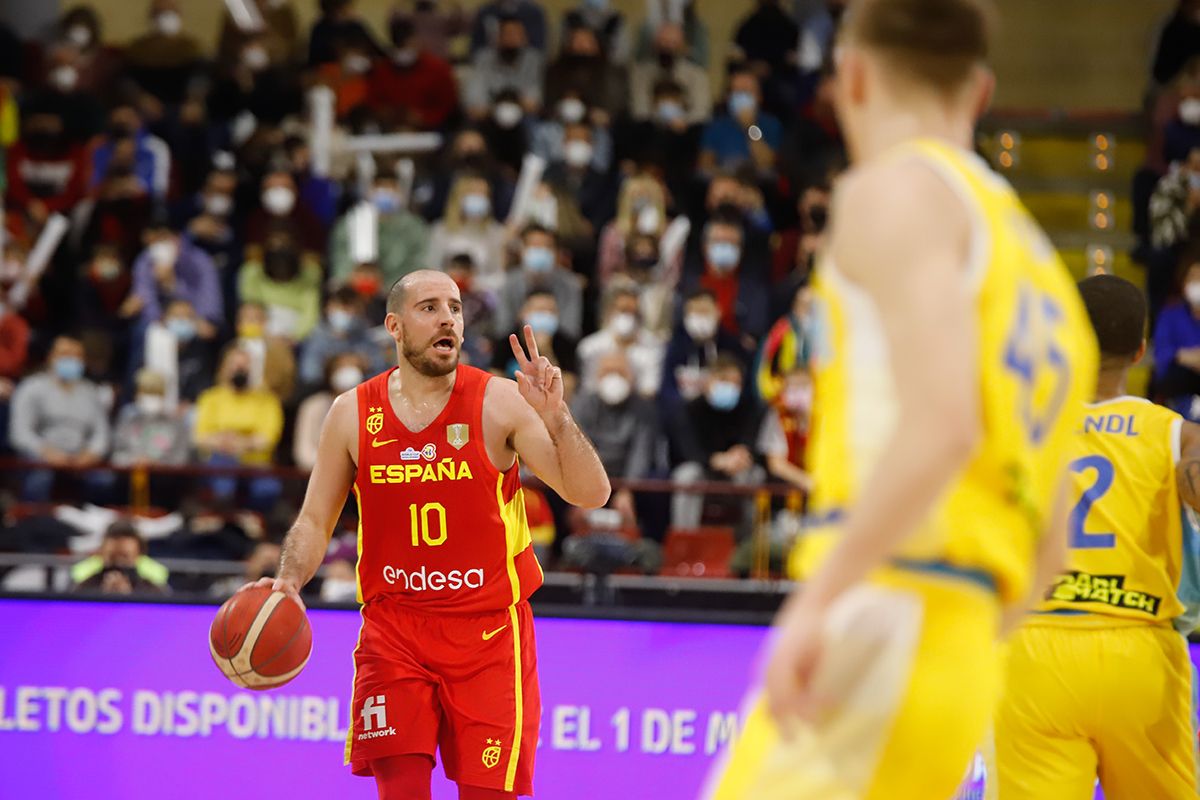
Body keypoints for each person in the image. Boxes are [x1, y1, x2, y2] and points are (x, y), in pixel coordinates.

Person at [706, 1, 1098, 798]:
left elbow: (944, 423)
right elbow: (1053, 541)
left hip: (886, 606)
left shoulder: (895, 192)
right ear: (982, 93)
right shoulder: (1041, 273)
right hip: (967, 640)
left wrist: (819, 603)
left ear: (849, 76)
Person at [252, 270, 609, 799]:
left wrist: (557, 417)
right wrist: (288, 580)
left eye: (456, 308)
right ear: (394, 326)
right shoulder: (352, 413)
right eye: (430, 307)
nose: (448, 318)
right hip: (394, 629)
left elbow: (590, 493)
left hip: (488, 631)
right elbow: (313, 519)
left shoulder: (499, 401)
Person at [991, 274, 1200, 797]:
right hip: (1139, 651)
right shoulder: (1174, 431)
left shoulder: (1022, 430)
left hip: (1035, 650)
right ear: (1141, 350)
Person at [9, 335, 115, 503]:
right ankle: (35, 523)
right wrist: (47, 452)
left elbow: (101, 434)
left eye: (76, 356)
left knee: (105, 480)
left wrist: (91, 453)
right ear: (51, 357)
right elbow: (20, 433)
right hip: (41, 458)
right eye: (65, 355)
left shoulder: (90, 392)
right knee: (40, 478)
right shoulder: (30, 388)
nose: (71, 360)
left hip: (80, 458)